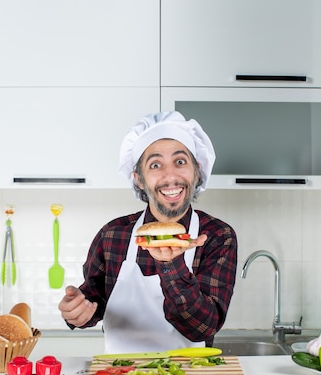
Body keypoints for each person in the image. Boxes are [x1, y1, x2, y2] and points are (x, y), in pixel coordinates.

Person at [58, 111, 238, 353]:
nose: (170, 176)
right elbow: (94, 302)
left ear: (197, 170)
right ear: (139, 179)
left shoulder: (217, 236)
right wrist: (77, 312)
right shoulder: (112, 235)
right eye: (155, 165)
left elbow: (203, 327)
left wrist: (173, 266)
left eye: (180, 162)